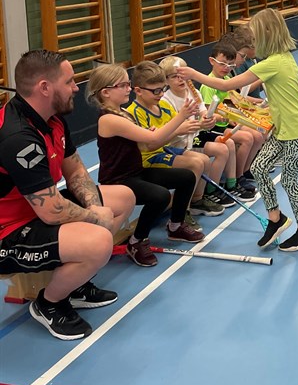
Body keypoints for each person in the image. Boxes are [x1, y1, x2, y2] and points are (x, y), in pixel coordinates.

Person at [0, 50, 134, 340]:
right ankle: (49, 304)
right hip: (8, 231)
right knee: (99, 240)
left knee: (123, 198)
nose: (76, 87)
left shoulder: (52, 119)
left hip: (36, 212)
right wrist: (95, 219)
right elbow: (50, 211)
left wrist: (94, 207)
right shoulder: (18, 137)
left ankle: (75, 283)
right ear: (45, 87)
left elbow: (75, 172)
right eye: (69, 81)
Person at [178, 8, 298, 253]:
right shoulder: (281, 58)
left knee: (289, 181)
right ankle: (276, 218)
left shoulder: (273, 62)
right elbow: (251, 87)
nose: (253, 42)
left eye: (255, 36)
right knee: (259, 168)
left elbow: (225, 85)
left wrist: (192, 74)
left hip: (297, 131)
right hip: (284, 129)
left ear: (267, 34)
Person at [88, 64, 204, 268]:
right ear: (106, 92)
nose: (128, 88)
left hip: (136, 172)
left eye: (128, 84)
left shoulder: (124, 113)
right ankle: (136, 241)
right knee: (160, 196)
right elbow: (153, 139)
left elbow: (145, 144)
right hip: (118, 180)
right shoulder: (109, 119)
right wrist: (181, 116)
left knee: (186, 177)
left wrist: (149, 134)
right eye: (123, 85)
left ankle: (175, 226)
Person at [126, 61, 223, 219]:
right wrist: (179, 129)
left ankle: (196, 200)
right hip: (147, 159)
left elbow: (181, 127)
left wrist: (202, 124)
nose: (161, 94)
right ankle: (183, 211)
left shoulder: (162, 107)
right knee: (196, 164)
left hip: (163, 150)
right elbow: (149, 146)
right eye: (156, 91)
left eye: (162, 89)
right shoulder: (135, 113)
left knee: (204, 160)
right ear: (138, 91)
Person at [160, 56, 237, 209]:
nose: (180, 79)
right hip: (178, 143)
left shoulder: (193, 92)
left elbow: (203, 113)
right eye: (174, 76)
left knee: (227, 143)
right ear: (165, 80)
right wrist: (200, 125)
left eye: (182, 74)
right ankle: (204, 195)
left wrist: (209, 119)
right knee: (218, 151)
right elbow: (178, 129)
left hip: (195, 136)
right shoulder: (165, 101)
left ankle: (212, 190)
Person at [197, 39, 264, 198]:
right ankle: (237, 177)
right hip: (216, 127)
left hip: (229, 122)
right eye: (223, 64)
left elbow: (235, 101)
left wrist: (256, 104)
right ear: (212, 61)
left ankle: (246, 170)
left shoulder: (228, 81)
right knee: (247, 138)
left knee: (259, 133)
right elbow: (208, 113)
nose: (226, 68)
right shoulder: (208, 86)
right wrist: (228, 118)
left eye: (230, 65)